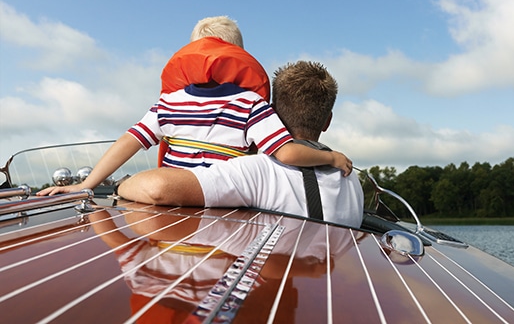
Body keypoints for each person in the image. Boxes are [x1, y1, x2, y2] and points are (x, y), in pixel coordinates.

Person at [38, 19, 352, 197]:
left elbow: (127, 143)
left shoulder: (167, 104)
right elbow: (285, 153)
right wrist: (332, 157)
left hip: (169, 201)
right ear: (239, 56)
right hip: (225, 208)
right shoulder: (250, 104)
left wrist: (84, 185)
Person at [117, 61, 364, 228]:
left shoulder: (258, 171)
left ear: (272, 115)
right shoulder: (351, 180)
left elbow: (157, 189)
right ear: (327, 121)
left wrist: (120, 185)